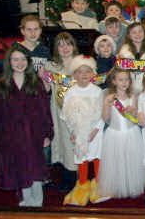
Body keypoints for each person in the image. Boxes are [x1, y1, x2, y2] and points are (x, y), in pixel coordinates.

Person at [0, 45, 52, 207]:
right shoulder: (0, 85)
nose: (20, 63)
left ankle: (37, 202)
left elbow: (44, 110)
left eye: (23, 59)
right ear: (9, 62)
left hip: (33, 133)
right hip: (11, 135)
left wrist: (47, 134)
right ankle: (25, 200)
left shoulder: (35, 82)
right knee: (19, 168)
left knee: (34, 168)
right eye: (15, 59)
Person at [61, 55, 108, 206]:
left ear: (92, 73)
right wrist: (73, 133)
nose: (84, 75)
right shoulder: (71, 92)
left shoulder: (96, 91)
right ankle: (82, 186)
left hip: (95, 132)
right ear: (74, 74)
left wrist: (96, 130)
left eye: (87, 71)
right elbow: (67, 116)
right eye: (80, 72)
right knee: (81, 157)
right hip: (79, 132)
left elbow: (102, 113)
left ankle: (99, 186)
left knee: (96, 156)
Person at [99, 69, 145, 199]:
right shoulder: (109, 97)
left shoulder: (133, 97)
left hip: (131, 133)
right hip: (114, 134)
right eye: (120, 80)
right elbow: (105, 118)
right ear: (114, 82)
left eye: (126, 79)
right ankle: (117, 186)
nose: (124, 82)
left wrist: (133, 110)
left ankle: (132, 185)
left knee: (131, 160)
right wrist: (106, 105)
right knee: (116, 161)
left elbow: (135, 118)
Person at [42, 32, 79, 193]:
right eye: (60, 45)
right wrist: (42, 76)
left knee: (75, 143)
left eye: (68, 44)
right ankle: (67, 176)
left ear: (73, 46)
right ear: (56, 48)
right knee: (62, 143)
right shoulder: (51, 67)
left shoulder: (81, 64)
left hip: (77, 112)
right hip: (58, 111)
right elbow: (46, 89)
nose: (65, 48)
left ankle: (77, 179)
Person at [117, 23, 145, 94]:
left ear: (144, 33)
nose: (138, 34)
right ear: (129, 35)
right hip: (129, 87)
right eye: (134, 32)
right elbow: (121, 70)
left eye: (140, 31)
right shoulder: (124, 50)